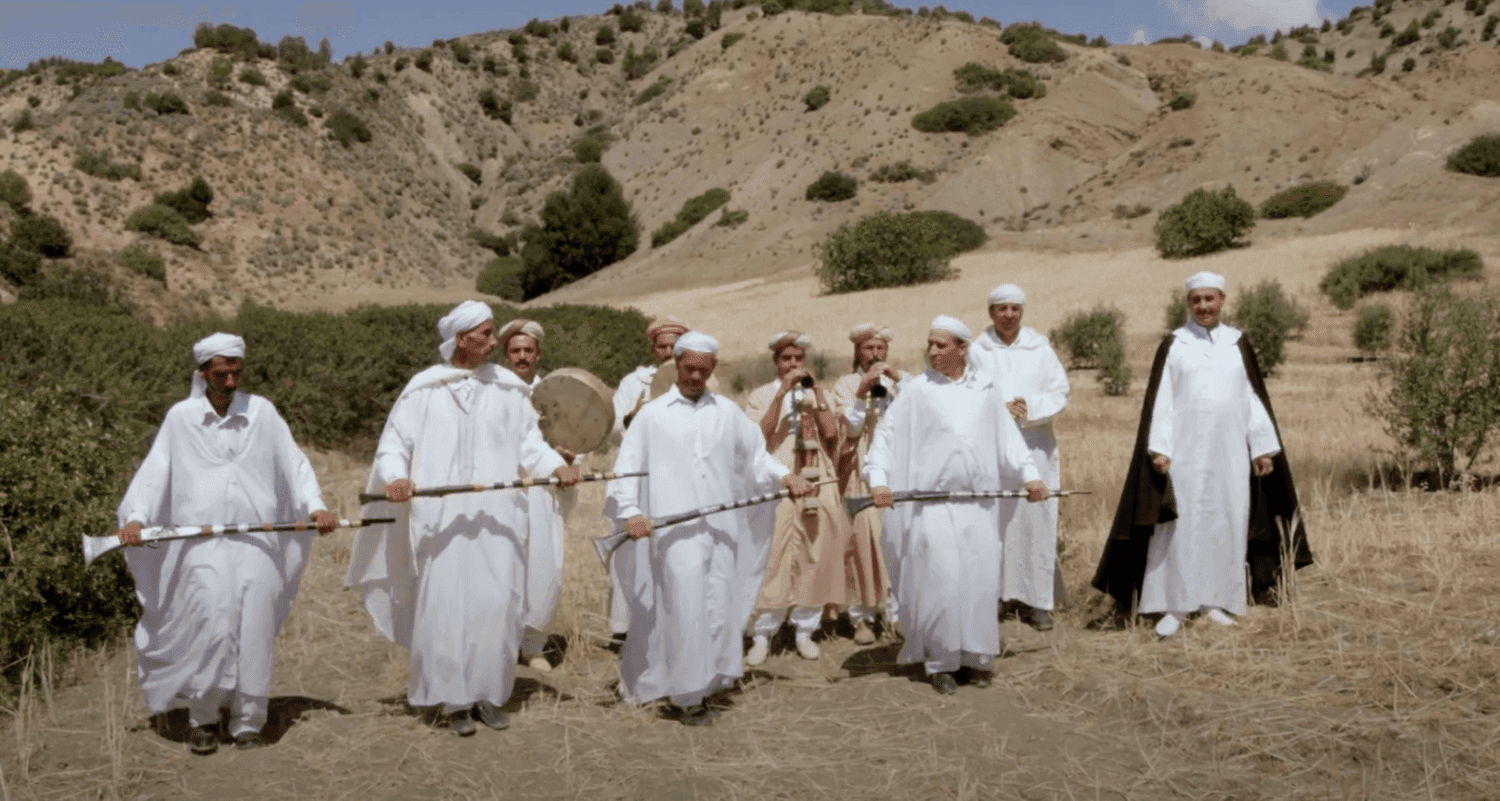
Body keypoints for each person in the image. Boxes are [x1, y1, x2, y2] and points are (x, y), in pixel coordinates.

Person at [346, 301, 581, 736]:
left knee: (497, 605)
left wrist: (555, 468)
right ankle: (453, 700)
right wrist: (396, 477)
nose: (496, 343)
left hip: (501, 522)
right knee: (446, 608)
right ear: (461, 339)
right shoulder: (424, 389)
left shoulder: (510, 388)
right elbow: (393, 445)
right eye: (486, 334)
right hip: (441, 523)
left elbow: (531, 446)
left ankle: (490, 695)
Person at [115, 333, 337, 755]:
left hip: (258, 541)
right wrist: (137, 517)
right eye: (222, 373)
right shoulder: (181, 418)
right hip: (201, 546)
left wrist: (316, 508)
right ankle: (203, 719)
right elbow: (156, 469)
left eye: (237, 371)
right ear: (203, 374)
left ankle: (249, 721)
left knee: (254, 626)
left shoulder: (263, 412)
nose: (231, 381)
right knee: (210, 625)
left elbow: (294, 462)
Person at [606, 331, 813, 725]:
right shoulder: (652, 415)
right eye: (688, 369)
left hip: (721, 529)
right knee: (685, 608)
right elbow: (627, 469)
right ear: (676, 365)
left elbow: (756, 457)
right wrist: (631, 509)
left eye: (703, 370)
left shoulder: (728, 412)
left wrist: (786, 477)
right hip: (674, 533)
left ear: (713, 369)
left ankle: (709, 680)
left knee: (717, 606)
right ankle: (685, 697)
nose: (695, 377)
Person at [1091, 272, 1312, 639]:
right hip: (1185, 454)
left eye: (1210, 299)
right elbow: (1160, 401)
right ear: (1189, 303)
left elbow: (1252, 398)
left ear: (1222, 300)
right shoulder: (1175, 344)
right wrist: (1159, 449)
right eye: (1197, 300)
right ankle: (1175, 606)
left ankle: (1215, 602)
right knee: (1180, 525)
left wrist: (1262, 448)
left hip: (1229, 455)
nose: (1204, 307)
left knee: (1226, 521)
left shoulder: (1237, 343)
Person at [865, 316, 1048, 695]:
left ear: (962, 349)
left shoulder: (985, 390)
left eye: (940, 345)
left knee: (979, 582)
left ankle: (975, 658)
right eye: (929, 344)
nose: (931, 351)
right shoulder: (916, 391)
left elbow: (1010, 441)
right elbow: (886, 437)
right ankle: (941, 662)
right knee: (943, 582)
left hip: (979, 507)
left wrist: (1030, 475)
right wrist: (879, 480)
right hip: (932, 507)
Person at [966, 283, 1071, 632]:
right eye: (1001, 308)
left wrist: (1030, 408)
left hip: (1034, 444)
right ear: (991, 312)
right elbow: (966, 393)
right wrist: (999, 410)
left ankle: (1036, 601)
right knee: (993, 520)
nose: (1008, 315)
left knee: (1035, 520)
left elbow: (1060, 391)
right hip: (990, 449)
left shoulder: (1039, 348)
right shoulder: (977, 351)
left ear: (1022, 312)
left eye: (1015, 308)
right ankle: (994, 595)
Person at [743, 331, 851, 663]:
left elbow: (832, 433)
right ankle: (763, 633)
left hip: (818, 480)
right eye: (786, 359)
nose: (793, 364)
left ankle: (806, 629)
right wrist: (782, 398)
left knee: (816, 553)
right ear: (776, 363)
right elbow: (758, 437)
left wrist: (815, 394)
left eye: (798, 359)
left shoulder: (819, 393)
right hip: (778, 480)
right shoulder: (761, 395)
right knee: (773, 556)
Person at [495, 318, 577, 674]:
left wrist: (569, 457)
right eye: (516, 351)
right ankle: (500, 642)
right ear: (506, 355)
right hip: (504, 490)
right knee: (503, 564)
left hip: (544, 492)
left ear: (539, 354)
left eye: (529, 350)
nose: (522, 356)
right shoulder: (494, 390)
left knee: (545, 563)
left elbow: (577, 435)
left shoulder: (556, 392)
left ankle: (534, 646)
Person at [607, 315, 689, 642]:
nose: (668, 352)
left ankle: (670, 622)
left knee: (673, 546)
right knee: (633, 550)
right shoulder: (634, 382)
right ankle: (628, 627)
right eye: (662, 346)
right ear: (653, 349)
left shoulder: (694, 379)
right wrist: (634, 414)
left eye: (674, 346)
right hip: (638, 477)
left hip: (675, 477)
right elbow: (613, 430)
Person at [829, 323, 908, 645]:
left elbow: (918, 408)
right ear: (856, 352)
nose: (875, 355)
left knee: (895, 540)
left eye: (880, 349)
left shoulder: (899, 382)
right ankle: (860, 616)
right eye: (868, 349)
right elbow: (849, 429)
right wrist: (862, 393)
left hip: (895, 470)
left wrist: (895, 379)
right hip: (859, 471)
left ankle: (895, 614)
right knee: (860, 542)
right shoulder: (846, 384)